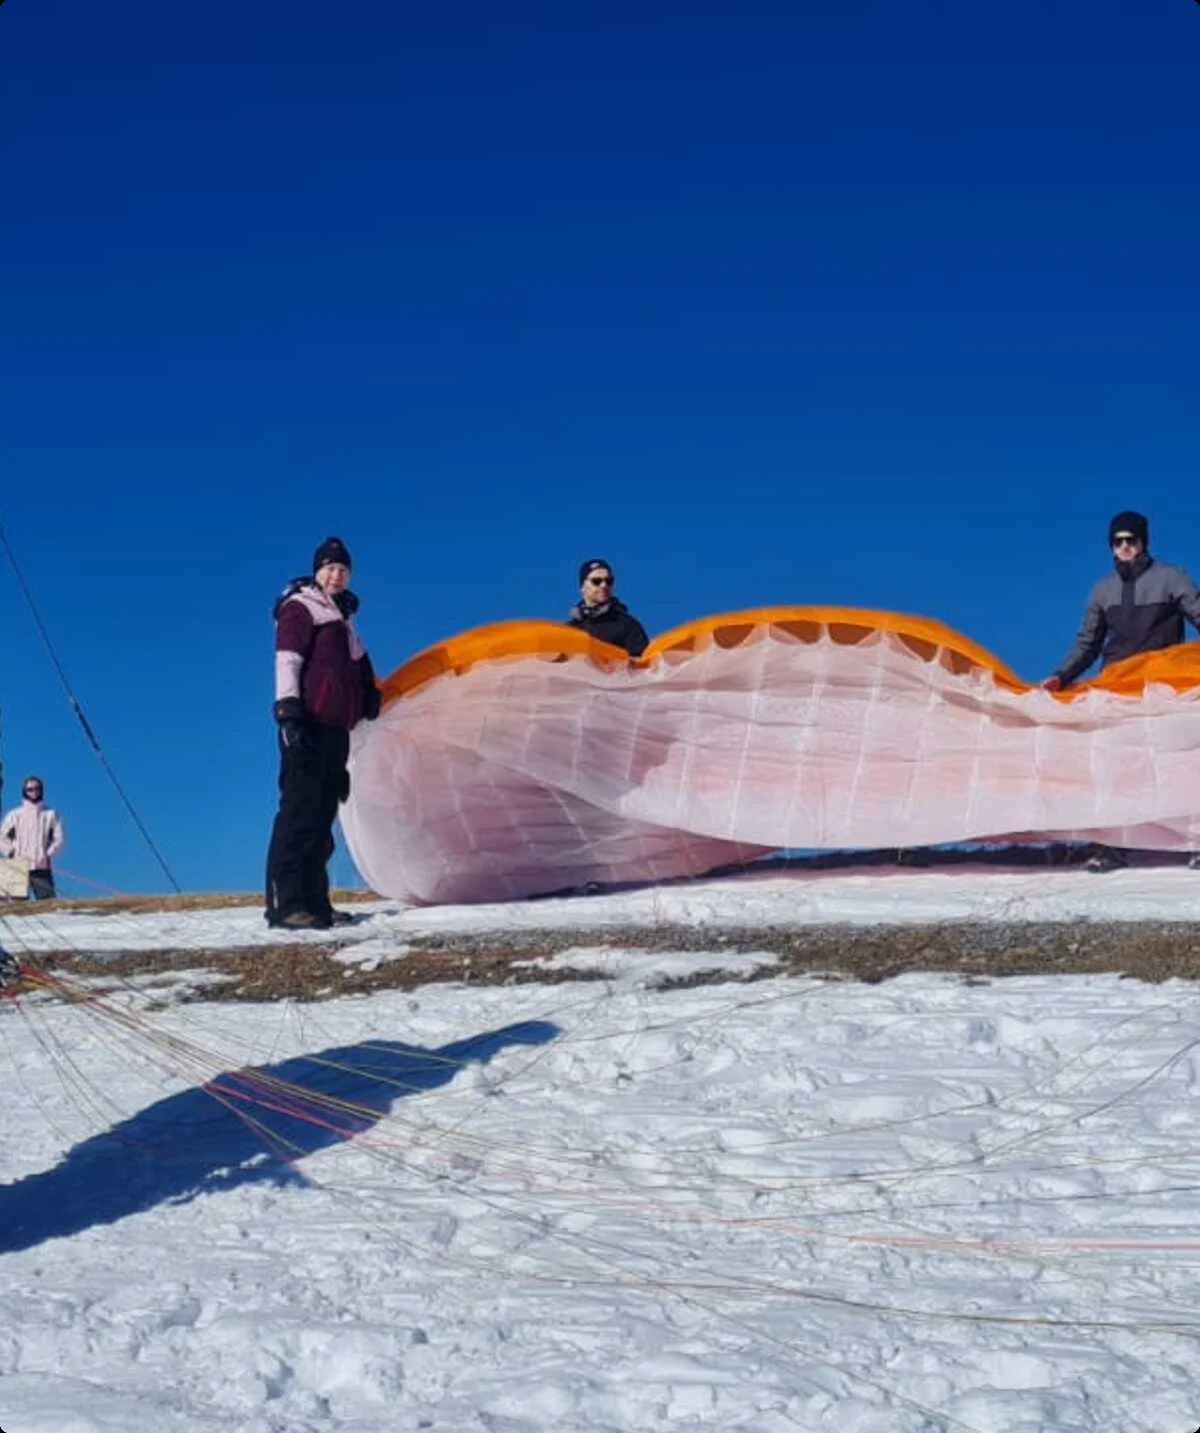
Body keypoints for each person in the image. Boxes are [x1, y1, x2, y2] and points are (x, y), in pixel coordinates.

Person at [1043, 510, 1200, 873]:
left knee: (1178, 762)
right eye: (1118, 541)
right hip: (1117, 686)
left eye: (1132, 540)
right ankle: (1111, 848)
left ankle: (1193, 842)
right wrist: (1061, 676)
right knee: (1116, 768)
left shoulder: (1171, 577)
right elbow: (1088, 644)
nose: (1125, 547)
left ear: (1144, 542)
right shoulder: (1103, 590)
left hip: (1162, 685)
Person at [265, 537, 381, 930]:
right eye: (330, 568)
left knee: (323, 817)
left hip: (335, 728)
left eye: (343, 570)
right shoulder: (301, 607)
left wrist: (368, 695)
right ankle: (287, 904)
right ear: (317, 571)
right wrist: (288, 712)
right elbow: (288, 660)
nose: (337, 575)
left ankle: (316, 902)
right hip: (308, 722)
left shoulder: (343, 619)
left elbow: (359, 665)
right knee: (300, 811)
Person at [567, 559, 650, 657]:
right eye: (596, 581)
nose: (604, 585)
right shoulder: (571, 630)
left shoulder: (627, 626)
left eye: (609, 581)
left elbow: (643, 665)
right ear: (582, 586)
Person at [0, 775, 66, 899]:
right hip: (17, 866)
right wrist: (11, 852)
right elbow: (1, 837)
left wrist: (48, 854)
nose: (34, 792)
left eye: (37, 788)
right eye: (29, 789)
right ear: (24, 791)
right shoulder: (14, 815)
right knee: (16, 908)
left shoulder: (50, 814)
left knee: (48, 905)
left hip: (41, 866)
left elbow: (59, 838)